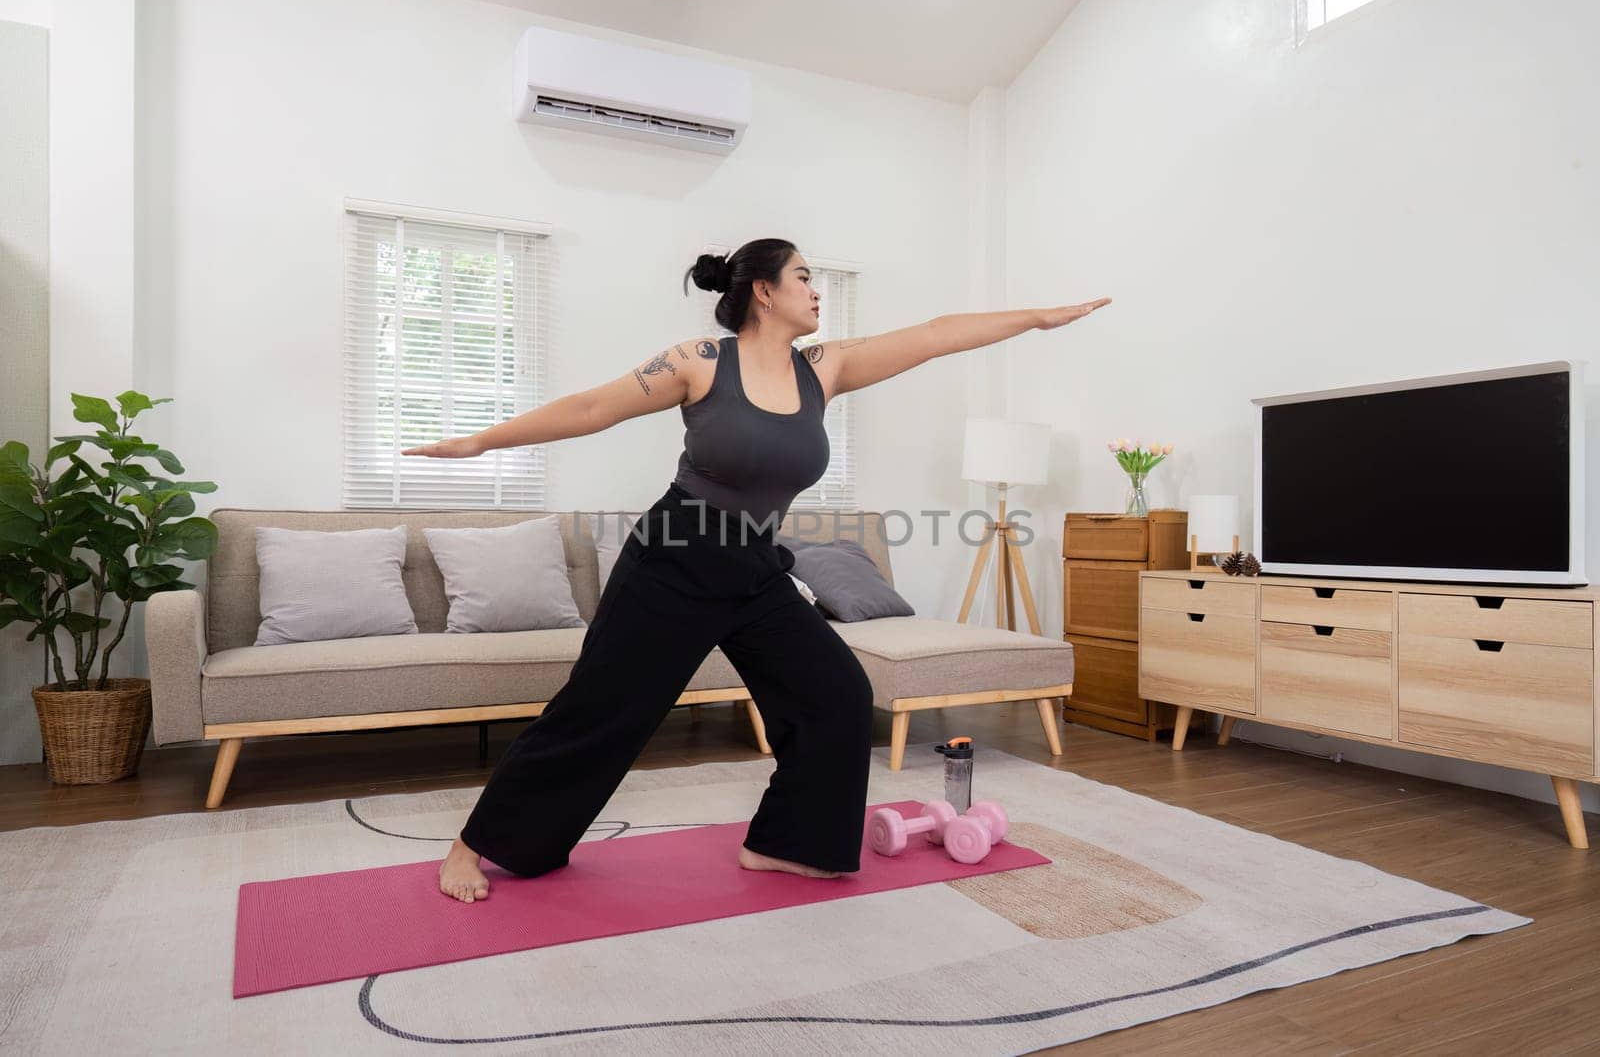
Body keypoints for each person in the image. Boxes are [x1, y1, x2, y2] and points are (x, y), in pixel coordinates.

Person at [402, 238, 1110, 902]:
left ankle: (785, 841)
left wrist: (1038, 319)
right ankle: (473, 843)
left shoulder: (823, 367)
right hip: (674, 558)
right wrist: (479, 441)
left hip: (755, 566)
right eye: (803, 276)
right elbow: (591, 407)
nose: (815, 289)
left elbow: (931, 334)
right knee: (601, 712)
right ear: (764, 292)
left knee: (834, 692)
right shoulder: (701, 358)